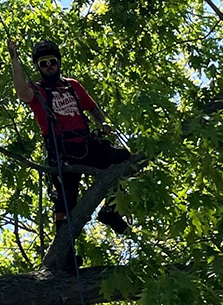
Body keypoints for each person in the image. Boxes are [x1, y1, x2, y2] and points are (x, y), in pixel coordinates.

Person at [8, 38, 131, 237]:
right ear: (38, 67)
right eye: (43, 64)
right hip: (62, 151)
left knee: (122, 159)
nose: (49, 67)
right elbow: (21, 90)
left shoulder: (72, 86)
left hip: (86, 144)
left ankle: (111, 210)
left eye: (52, 62)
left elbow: (92, 108)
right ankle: (66, 254)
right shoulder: (37, 91)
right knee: (66, 202)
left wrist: (103, 123)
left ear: (58, 63)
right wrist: (14, 59)